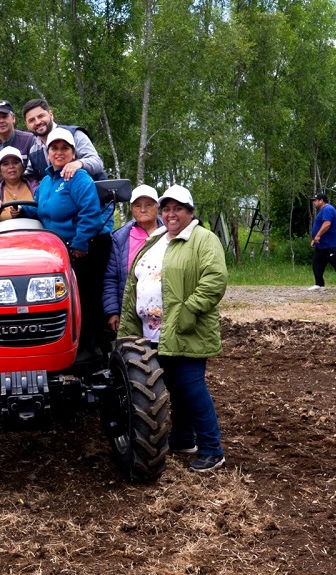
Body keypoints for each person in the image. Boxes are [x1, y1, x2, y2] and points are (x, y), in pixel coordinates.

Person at [117, 184, 227, 473]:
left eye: (178, 208)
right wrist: (129, 329)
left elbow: (214, 279)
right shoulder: (156, 240)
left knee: (191, 388)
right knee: (172, 389)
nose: (171, 213)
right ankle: (183, 439)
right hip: (152, 333)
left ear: (190, 212)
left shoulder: (203, 239)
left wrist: (188, 311)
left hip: (185, 328)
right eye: (166, 208)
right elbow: (134, 284)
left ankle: (212, 449)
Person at [21, 127, 111, 355]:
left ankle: (94, 351)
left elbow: (90, 212)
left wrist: (81, 244)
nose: (59, 152)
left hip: (85, 246)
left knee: (86, 298)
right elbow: (42, 211)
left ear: (73, 152)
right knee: (65, 298)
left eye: (65, 148)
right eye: (55, 148)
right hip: (61, 250)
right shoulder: (47, 182)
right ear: (47, 153)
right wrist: (22, 209)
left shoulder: (78, 177)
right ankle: (66, 344)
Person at [104, 184, 163, 333]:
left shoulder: (170, 233)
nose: (143, 210)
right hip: (131, 310)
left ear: (157, 207)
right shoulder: (120, 239)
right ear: (131, 209)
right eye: (137, 205)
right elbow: (111, 278)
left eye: (148, 205)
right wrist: (113, 312)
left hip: (165, 308)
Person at [20, 98, 105, 181]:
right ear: (27, 125)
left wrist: (78, 164)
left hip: (94, 191)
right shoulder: (34, 150)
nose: (38, 122)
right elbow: (28, 177)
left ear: (51, 115)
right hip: (59, 194)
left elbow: (97, 162)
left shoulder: (74, 134)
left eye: (41, 116)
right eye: (31, 120)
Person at [0, 147, 39, 229]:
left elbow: (44, 208)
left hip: (36, 236)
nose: (11, 166)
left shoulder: (36, 186)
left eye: (15, 162)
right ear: (0, 170)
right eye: (5, 164)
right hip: (2, 238)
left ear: (22, 166)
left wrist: (23, 211)